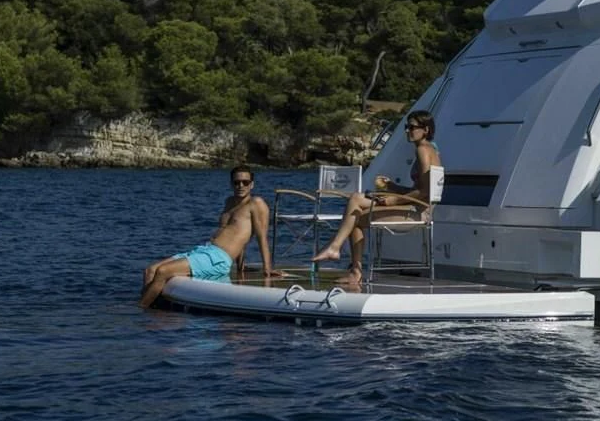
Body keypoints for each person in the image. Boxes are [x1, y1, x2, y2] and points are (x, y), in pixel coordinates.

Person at [311, 110, 441, 284]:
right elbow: (418, 189)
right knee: (356, 200)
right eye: (406, 127)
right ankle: (340, 253)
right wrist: (392, 187)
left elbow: (425, 192)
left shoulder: (423, 150)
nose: (407, 131)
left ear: (425, 130)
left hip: (419, 212)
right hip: (414, 206)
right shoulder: (429, 149)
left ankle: (343, 258)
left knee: (355, 217)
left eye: (412, 127)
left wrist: (393, 200)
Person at [139, 165, 282, 308]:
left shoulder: (256, 203)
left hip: (218, 259)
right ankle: (153, 308)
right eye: (236, 182)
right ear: (231, 183)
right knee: (150, 270)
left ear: (252, 184)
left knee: (163, 271)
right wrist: (240, 266)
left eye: (245, 182)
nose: (240, 185)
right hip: (205, 251)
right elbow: (238, 235)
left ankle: (140, 310)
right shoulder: (229, 202)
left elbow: (261, 237)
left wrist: (267, 268)